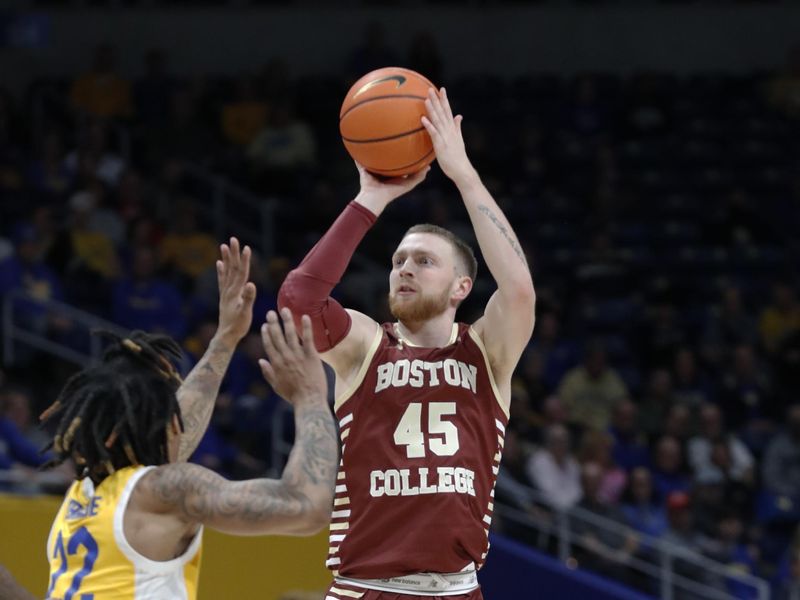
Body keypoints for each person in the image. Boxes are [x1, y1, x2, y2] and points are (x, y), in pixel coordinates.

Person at [279, 88, 536, 599]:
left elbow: (520, 290)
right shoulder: (364, 346)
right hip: (365, 587)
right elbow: (298, 300)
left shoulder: (487, 351)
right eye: (398, 261)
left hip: (456, 590)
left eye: (424, 261)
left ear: (462, 287)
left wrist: (463, 174)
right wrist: (369, 199)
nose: (405, 269)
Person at [41, 238, 337, 600]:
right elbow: (306, 508)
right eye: (166, 414)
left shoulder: (84, 493)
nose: (177, 422)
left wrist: (225, 338)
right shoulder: (163, 491)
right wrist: (310, 397)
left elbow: (176, 430)